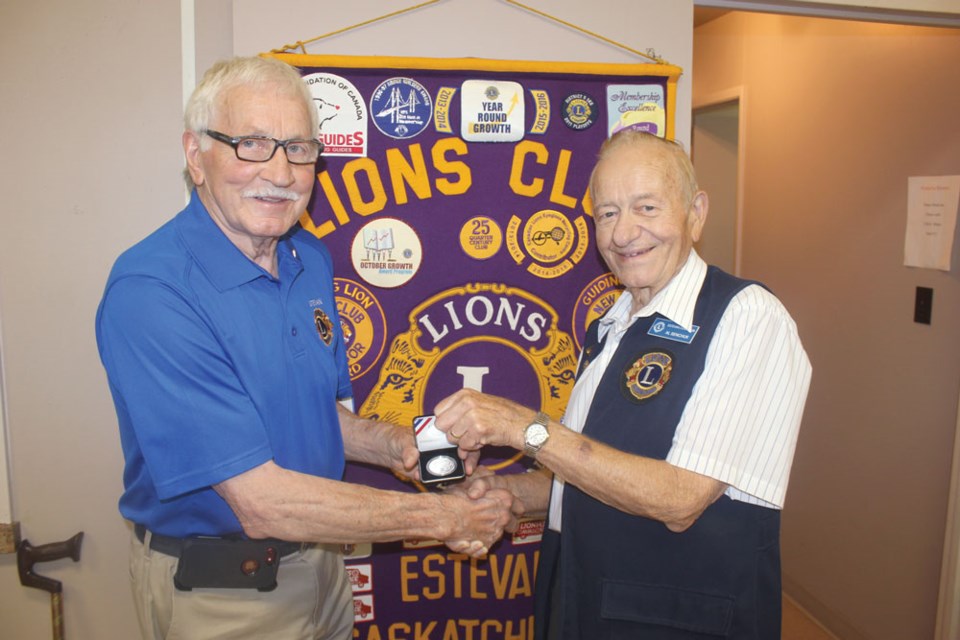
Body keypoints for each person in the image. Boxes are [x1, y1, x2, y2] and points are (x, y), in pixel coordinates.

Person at [95, 56, 514, 640]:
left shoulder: (307, 257)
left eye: (298, 148)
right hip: (224, 594)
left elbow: (313, 417)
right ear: (196, 156)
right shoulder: (154, 292)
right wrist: (445, 516)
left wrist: (398, 446)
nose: (281, 171)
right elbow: (261, 501)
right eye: (252, 145)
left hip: (320, 567)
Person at [434, 130, 812, 639]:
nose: (623, 232)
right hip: (579, 597)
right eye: (607, 213)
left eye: (647, 207)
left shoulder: (747, 317)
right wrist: (509, 494)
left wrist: (522, 426)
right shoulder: (612, 325)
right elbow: (596, 472)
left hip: (675, 622)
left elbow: (681, 498)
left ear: (695, 213)